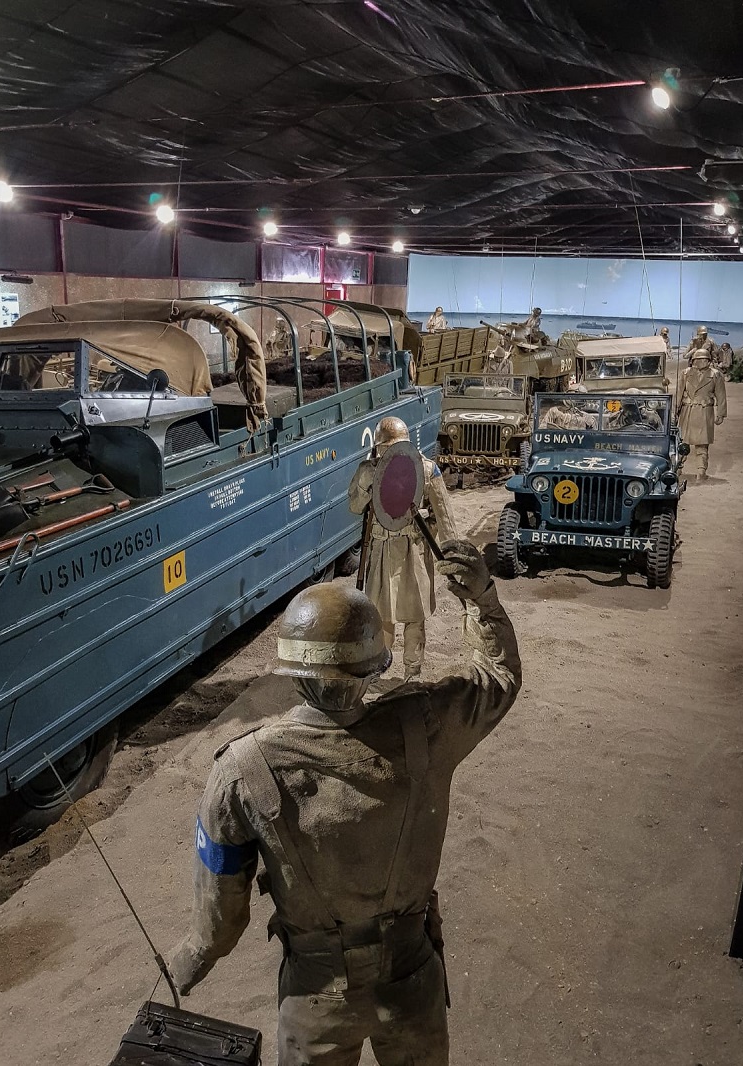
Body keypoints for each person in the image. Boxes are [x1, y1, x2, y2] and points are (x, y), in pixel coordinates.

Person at [167, 540, 521, 1066]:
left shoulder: (241, 770)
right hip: (412, 978)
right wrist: (483, 599)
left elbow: (222, 919)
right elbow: (498, 680)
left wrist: (192, 959)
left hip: (315, 995)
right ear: (375, 665)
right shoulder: (427, 726)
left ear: (293, 672)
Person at [348, 416, 456, 681]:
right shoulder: (369, 470)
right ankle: (378, 669)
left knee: (414, 616)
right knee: (380, 616)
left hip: (414, 551)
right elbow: (354, 506)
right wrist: (367, 479)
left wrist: (453, 553)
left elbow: (444, 515)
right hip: (380, 550)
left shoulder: (426, 469)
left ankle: (412, 671)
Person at [677, 349, 727, 479]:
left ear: (707, 360)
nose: (699, 362)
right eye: (697, 360)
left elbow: (721, 395)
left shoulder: (715, 374)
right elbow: (679, 393)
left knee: (702, 444)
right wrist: (674, 412)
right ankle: (677, 469)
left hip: (704, 411)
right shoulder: (686, 373)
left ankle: (701, 471)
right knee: (683, 443)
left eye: (702, 359)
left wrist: (720, 414)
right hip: (688, 410)